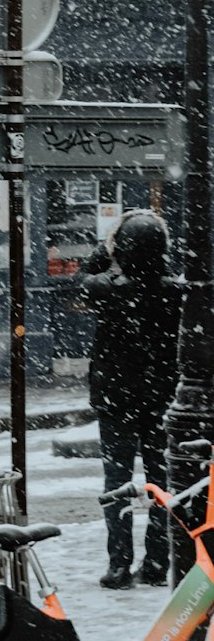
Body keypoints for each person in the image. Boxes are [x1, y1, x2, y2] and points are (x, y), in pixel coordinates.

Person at [73, 207, 181, 590]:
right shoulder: (175, 291)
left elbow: (81, 279)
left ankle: (119, 564)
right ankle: (156, 562)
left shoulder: (107, 288)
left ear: (123, 249)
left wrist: (108, 248)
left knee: (116, 482)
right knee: (161, 482)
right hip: (161, 398)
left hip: (116, 397)